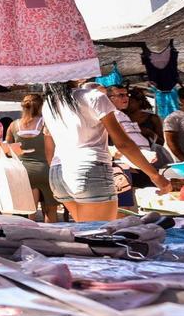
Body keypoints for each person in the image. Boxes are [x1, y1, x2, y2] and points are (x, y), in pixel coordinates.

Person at [42, 82, 170, 222]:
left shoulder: (49, 103)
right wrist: (155, 175)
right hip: (89, 170)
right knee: (99, 234)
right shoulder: (93, 97)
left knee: (86, 232)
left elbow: (49, 148)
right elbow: (123, 143)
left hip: (58, 173)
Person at [4, 94, 60, 223]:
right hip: (46, 170)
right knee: (50, 211)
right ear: (42, 107)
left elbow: (8, 150)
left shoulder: (13, 125)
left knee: (28, 212)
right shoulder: (46, 124)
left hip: (23, 173)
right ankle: (52, 238)